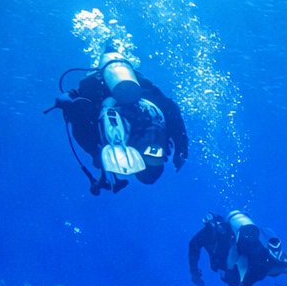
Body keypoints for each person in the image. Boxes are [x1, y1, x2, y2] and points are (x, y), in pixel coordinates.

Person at [46, 47, 188, 195]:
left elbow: (171, 110)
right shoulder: (149, 131)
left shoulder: (156, 132)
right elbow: (170, 109)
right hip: (103, 93)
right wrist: (181, 147)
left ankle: (107, 63)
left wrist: (181, 148)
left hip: (102, 91)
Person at [188, 210, 287, 286]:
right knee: (275, 265)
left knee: (269, 265)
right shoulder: (224, 234)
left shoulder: (218, 234)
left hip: (247, 262)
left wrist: (194, 272)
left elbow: (194, 246)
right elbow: (194, 245)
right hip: (248, 261)